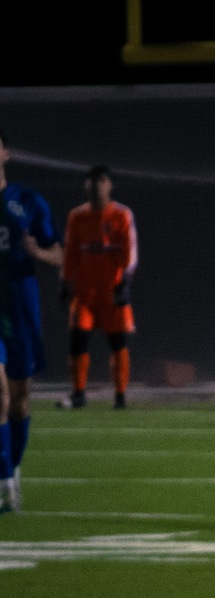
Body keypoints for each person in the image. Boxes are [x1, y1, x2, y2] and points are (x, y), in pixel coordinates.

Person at [0, 131, 62, 512]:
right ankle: (5, 483)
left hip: (19, 310)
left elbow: (59, 252)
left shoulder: (27, 201)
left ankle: (14, 471)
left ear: (4, 153)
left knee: (20, 402)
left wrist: (39, 252)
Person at [58, 165, 136, 412]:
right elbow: (70, 253)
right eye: (92, 181)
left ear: (110, 185)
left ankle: (120, 396)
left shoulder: (121, 215)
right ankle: (79, 394)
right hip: (85, 293)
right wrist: (65, 283)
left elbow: (130, 253)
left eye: (101, 180)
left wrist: (124, 281)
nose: (96, 185)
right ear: (85, 185)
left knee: (117, 342)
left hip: (111, 291)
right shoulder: (77, 216)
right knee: (78, 340)